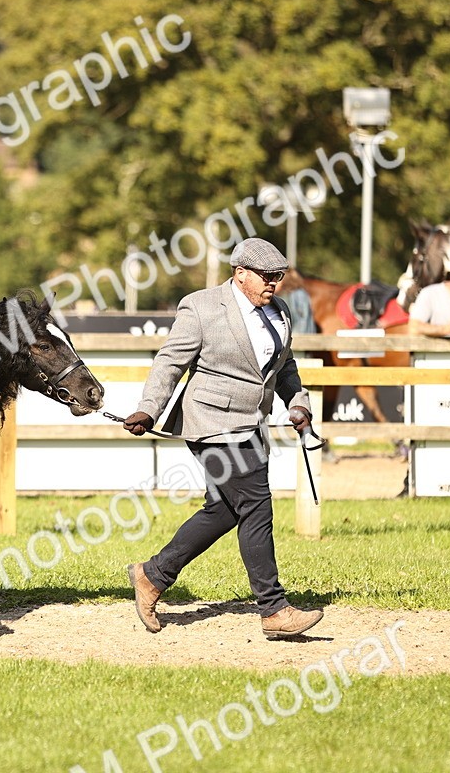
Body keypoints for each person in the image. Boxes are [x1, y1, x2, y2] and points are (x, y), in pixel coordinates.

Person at [121, 238, 322, 640]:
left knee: (226, 511)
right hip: (211, 420)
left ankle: (152, 574)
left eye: (278, 277)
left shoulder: (279, 312)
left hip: (251, 423)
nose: (274, 284)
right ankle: (273, 608)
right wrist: (149, 408)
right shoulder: (201, 306)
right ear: (240, 273)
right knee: (256, 503)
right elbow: (171, 360)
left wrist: (296, 403)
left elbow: (285, 367)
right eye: (267, 277)